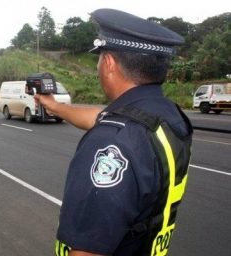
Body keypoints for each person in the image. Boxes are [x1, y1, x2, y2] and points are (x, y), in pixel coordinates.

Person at [35, 9, 193, 256]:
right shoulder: (165, 115)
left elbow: (87, 251)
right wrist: (55, 106)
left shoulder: (111, 142)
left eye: (99, 59)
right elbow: (104, 118)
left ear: (108, 63)